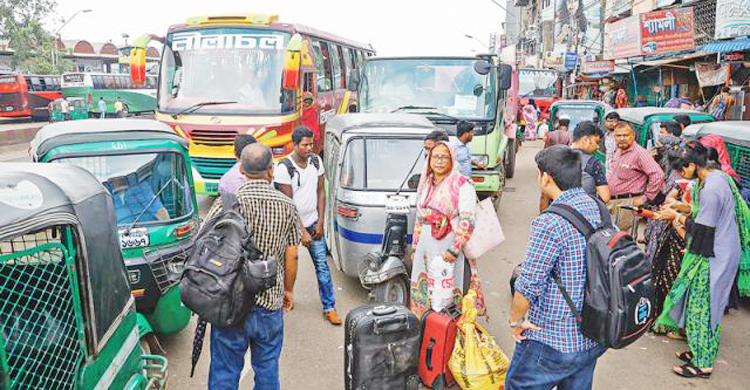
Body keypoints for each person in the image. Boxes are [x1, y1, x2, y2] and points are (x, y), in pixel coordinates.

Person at [507, 145, 607, 390]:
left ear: (546, 177)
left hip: (553, 340)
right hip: (592, 335)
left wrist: (515, 321)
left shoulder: (550, 222)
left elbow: (529, 283)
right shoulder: (598, 207)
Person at [206, 143, 301, 390]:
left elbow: (204, 245)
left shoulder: (226, 204)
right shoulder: (287, 205)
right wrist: (288, 291)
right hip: (270, 302)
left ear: (242, 169)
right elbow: (292, 255)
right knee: (268, 369)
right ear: (271, 171)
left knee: (225, 372)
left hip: (230, 303)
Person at [654, 142, 750, 379]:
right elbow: (705, 214)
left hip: (715, 256)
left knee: (703, 307)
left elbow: (703, 231)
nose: (680, 174)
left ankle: (704, 363)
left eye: (681, 169)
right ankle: (699, 350)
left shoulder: (711, 188)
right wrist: (683, 207)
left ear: (693, 165)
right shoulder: (715, 177)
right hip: (718, 249)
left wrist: (675, 216)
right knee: (703, 304)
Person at [410, 141, 485, 318]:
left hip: (448, 247)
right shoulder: (426, 183)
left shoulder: (461, 184)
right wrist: (415, 248)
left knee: (448, 291)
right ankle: (426, 331)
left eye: (445, 157)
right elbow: (419, 219)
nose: (439, 161)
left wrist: (454, 250)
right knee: (424, 291)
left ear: (452, 159)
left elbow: (467, 220)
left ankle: (449, 336)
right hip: (425, 246)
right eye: (435, 156)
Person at [274, 127, 341, 325]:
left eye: (311, 143)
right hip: (290, 226)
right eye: (305, 145)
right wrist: (301, 231)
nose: (309, 148)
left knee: (322, 266)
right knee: (285, 264)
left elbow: (321, 191)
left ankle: (329, 307)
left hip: (313, 223)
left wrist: (320, 222)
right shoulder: (284, 168)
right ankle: (286, 297)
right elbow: (288, 204)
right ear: (294, 145)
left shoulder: (315, 161)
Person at [607, 123, 665, 231]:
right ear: (614, 137)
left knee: (621, 240)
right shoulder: (618, 152)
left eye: (625, 135)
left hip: (627, 203)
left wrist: (646, 197)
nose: (622, 139)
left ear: (633, 136)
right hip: (612, 202)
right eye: (618, 136)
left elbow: (657, 175)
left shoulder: (640, 153)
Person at [571, 121, 610, 203]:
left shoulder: (556, 155)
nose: (598, 147)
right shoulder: (592, 162)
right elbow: (605, 197)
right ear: (585, 140)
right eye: (596, 142)